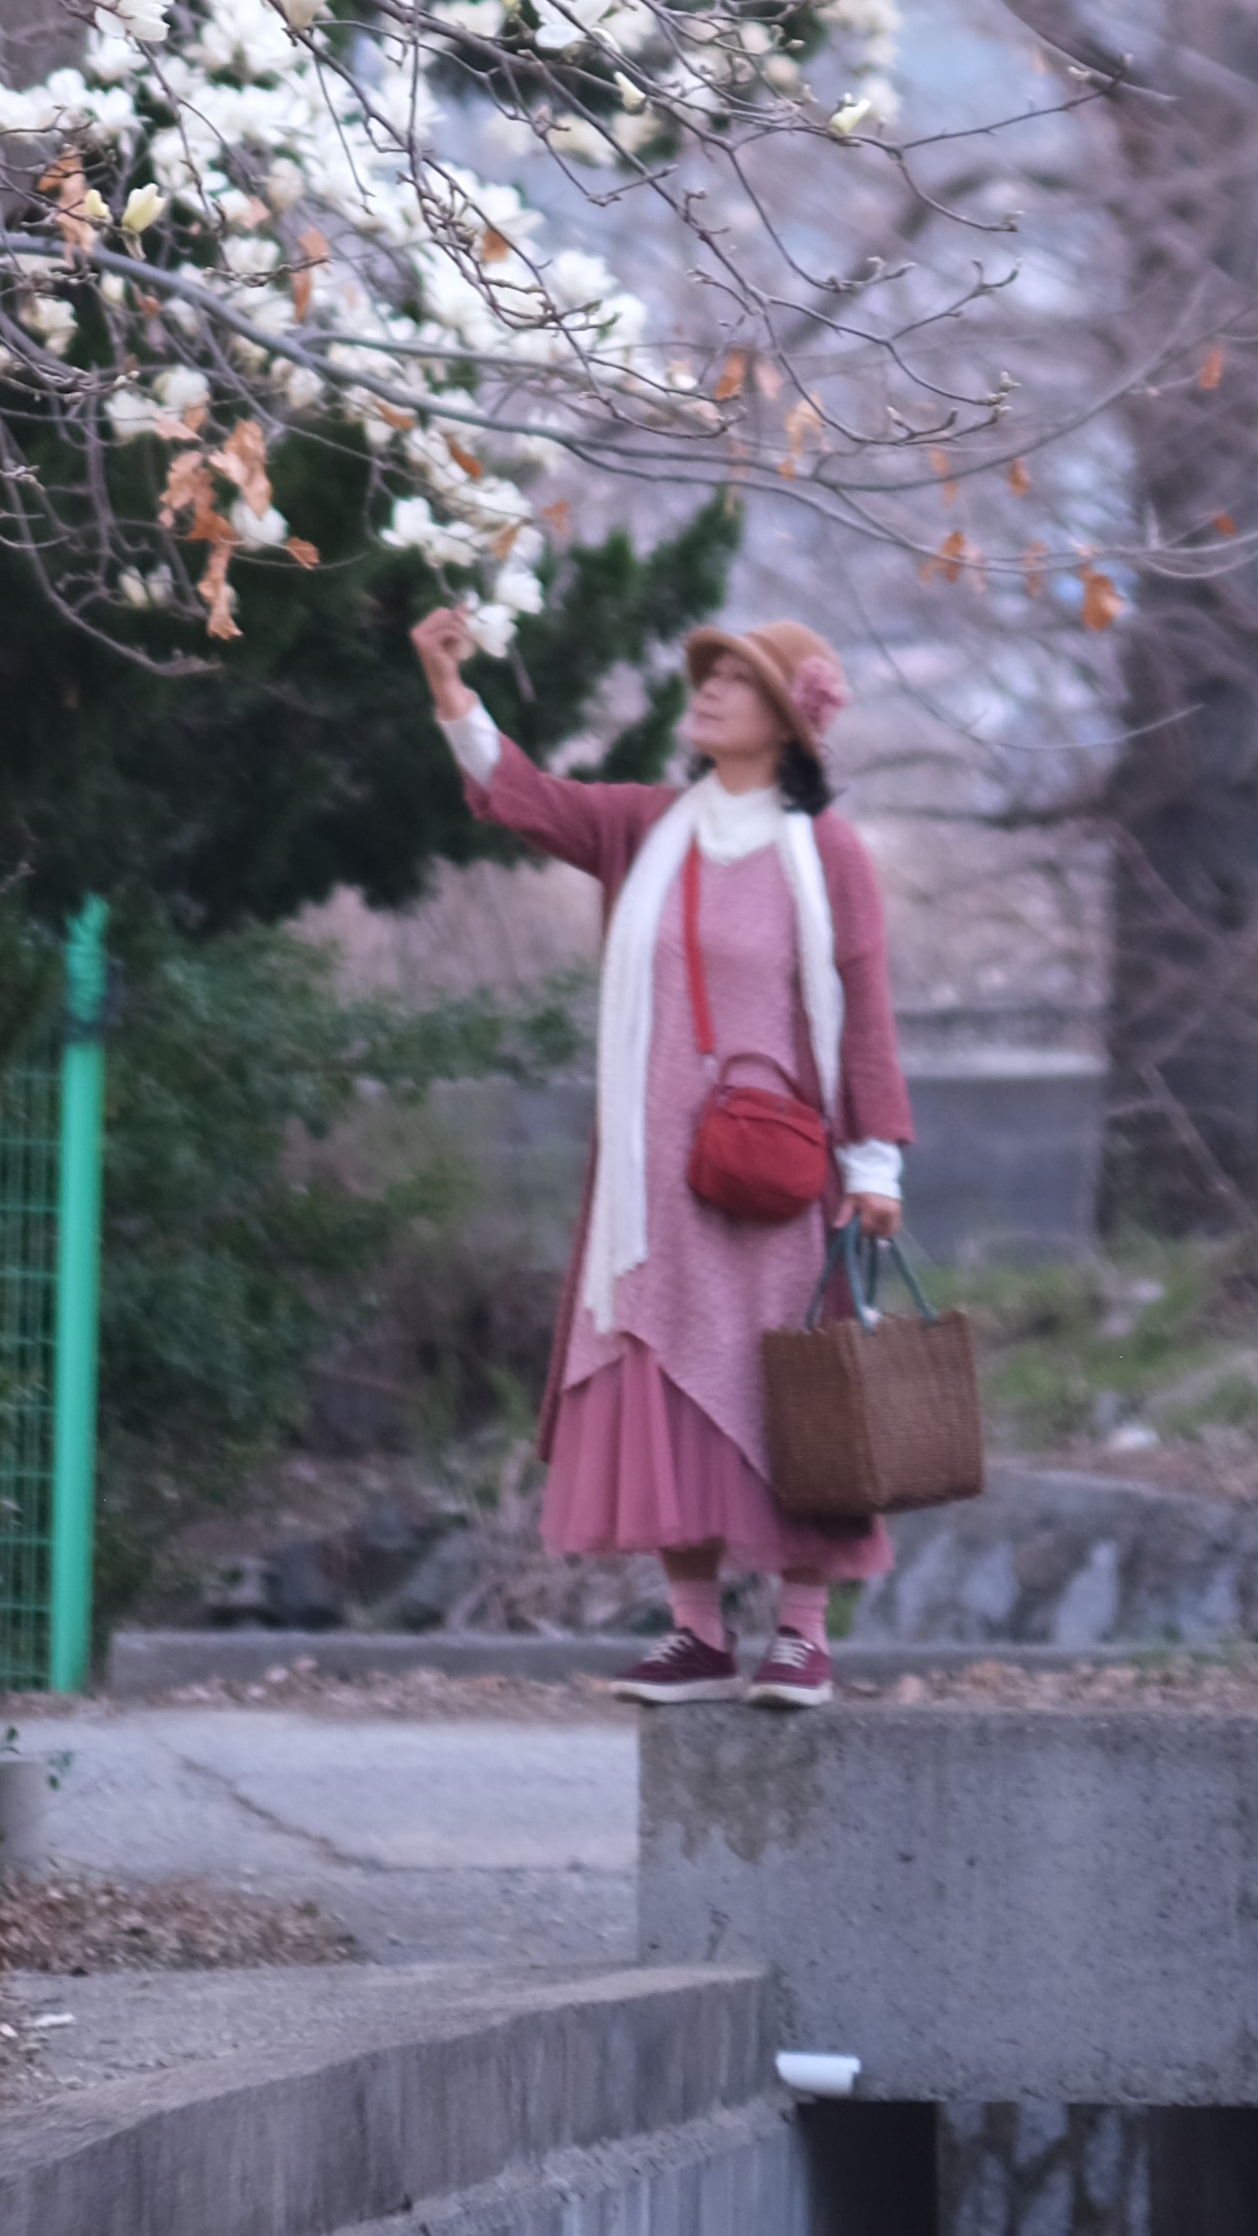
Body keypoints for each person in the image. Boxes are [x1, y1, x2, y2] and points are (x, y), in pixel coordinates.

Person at [411, 597, 911, 1711]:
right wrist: (450, 691)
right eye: (707, 676)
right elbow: (526, 796)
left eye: (735, 680)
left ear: (784, 720)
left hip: (782, 1176)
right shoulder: (646, 824)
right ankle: (696, 1633)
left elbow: (864, 1005)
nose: (709, 691)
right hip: (654, 1183)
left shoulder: (826, 850)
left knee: (795, 1387)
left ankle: (799, 1634)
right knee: (666, 1380)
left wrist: (875, 1164)